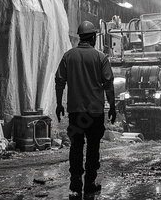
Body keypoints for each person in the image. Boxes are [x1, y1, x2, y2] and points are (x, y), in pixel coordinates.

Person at [55, 20, 116, 197]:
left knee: (76, 145)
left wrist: (59, 104)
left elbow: (60, 82)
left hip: (76, 111)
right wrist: (112, 107)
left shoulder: (68, 56)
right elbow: (108, 85)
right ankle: (89, 182)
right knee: (93, 147)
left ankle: (75, 182)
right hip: (95, 112)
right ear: (94, 37)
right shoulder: (100, 57)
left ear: (81, 37)